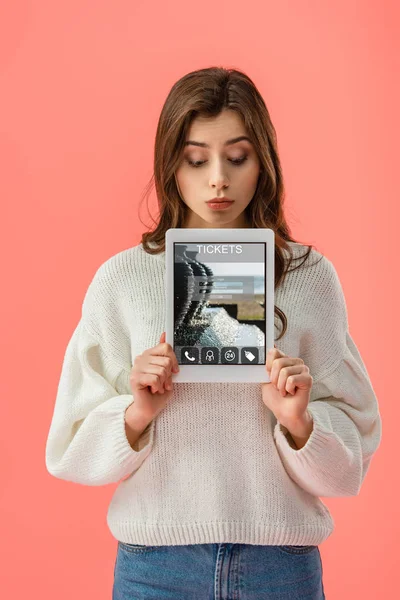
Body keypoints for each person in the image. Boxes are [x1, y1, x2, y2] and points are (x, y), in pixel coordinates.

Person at [45, 67, 382, 599]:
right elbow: (68, 449)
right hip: (155, 567)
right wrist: (135, 414)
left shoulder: (309, 277)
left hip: (281, 568)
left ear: (263, 161)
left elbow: (350, 469)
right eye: (196, 159)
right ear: (170, 164)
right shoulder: (123, 280)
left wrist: (299, 421)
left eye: (238, 157)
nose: (217, 178)